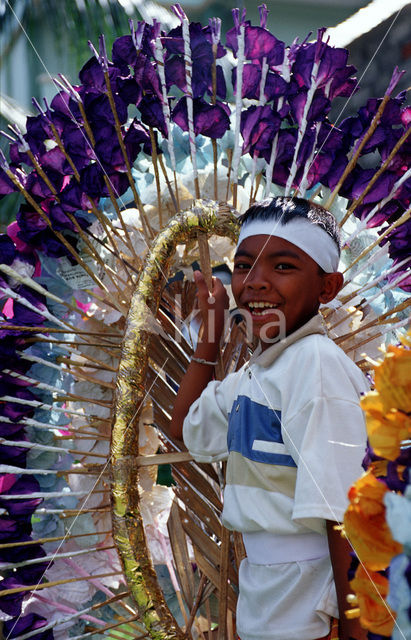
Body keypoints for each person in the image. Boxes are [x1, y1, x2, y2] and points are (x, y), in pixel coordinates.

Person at [169, 196, 368, 640]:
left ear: (327, 288)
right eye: (244, 266)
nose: (255, 283)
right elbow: (184, 430)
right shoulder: (259, 373)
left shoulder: (316, 365)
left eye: (282, 266)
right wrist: (210, 340)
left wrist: (359, 632)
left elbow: (346, 517)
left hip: (311, 600)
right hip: (267, 595)